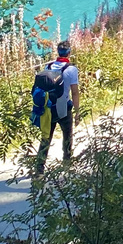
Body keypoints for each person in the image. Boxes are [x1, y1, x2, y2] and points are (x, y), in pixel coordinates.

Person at [33, 41, 79, 172]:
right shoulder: (71, 69)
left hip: (48, 108)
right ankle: (66, 163)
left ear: (58, 52)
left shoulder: (48, 67)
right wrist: (77, 112)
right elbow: (75, 92)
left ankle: (39, 168)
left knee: (46, 137)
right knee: (67, 136)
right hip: (64, 107)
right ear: (69, 53)